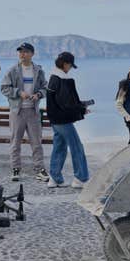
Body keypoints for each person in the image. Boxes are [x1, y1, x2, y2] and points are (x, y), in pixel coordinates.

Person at [0, 42, 49, 182]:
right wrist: (18, 92)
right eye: (20, 51)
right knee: (15, 142)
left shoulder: (38, 71)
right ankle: (16, 169)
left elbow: (45, 88)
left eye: (26, 51)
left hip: (33, 111)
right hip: (17, 112)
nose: (22, 54)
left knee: (36, 142)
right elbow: (4, 88)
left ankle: (40, 170)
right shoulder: (12, 71)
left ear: (32, 54)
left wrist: (38, 95)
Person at [45, 52, 90, 189]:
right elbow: (66, 103)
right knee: (77, 147)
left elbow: (59, 102)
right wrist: (81, 110)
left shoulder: (53, 78)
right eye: (70, 65)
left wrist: (80, 107)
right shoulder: (63, 79)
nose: (70, 68)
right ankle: (80, 178)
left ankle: (55, 178)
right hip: (63, 120)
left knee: (59, 147)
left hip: (54, 119)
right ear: (65, 64)